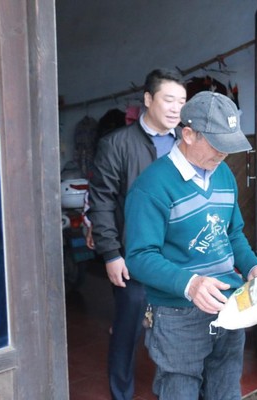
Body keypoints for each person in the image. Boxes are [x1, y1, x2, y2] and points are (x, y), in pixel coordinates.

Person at [124, 91, 257, 400]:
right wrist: (190, 284)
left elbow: (233, 234)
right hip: (178, 313)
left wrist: (253, 267)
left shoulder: (224, 174)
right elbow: (139, 257)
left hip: (229, 304)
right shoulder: (152, 186)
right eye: (217, 144)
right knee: (180, 391)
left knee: (226, 391)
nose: (224, 154)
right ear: (188, 134)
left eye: (230, 145)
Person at [87, 68, 187, 400]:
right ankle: (122, 392)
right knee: (128, 327)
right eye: (169, 100)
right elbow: (101, 201)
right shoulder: (117, 144)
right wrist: (111, 254)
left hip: (178, 254)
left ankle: (173, 390)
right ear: (148, 99)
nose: (176, 108)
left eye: (181, 101)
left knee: (179, 328)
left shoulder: (186, 141)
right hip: (134, 256)